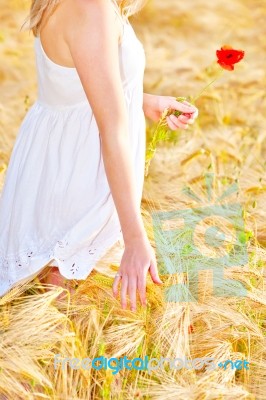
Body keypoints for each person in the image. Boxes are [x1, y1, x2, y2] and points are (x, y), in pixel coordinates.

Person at [0, 0, 198, 310]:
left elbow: (76, 83)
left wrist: (141, 101)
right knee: (77, 319)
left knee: (65, 318)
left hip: (55, 169)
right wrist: (134, 240)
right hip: (80, 183)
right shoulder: (92, 7)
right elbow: (112, 130)